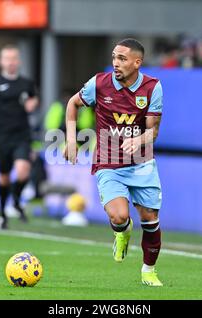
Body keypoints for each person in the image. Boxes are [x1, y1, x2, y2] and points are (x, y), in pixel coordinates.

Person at [64, 38, 164, 286]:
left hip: (141, 162)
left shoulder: (152, 88)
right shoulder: (99, 83)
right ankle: (123, 232)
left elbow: (153, 132)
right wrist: (70, 139)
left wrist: (139, 139)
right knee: (119, 217)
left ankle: (148, 271)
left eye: (122, 59)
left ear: (137, 62)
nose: (115, 63)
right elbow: (72, 104)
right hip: (109, 162)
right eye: (114, 57)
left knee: (150, 219)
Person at [0, 44, 39, 230]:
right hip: (2, 137)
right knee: (3, 177)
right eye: (7, 58)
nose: (11, 62)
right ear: (1, 61)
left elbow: (34, 97)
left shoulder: (26, 84)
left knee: (22, 171)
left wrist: (32, 103)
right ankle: (3, 213)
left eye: (14, 58)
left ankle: (17, 199)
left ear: (18, 61)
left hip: (22, 136)